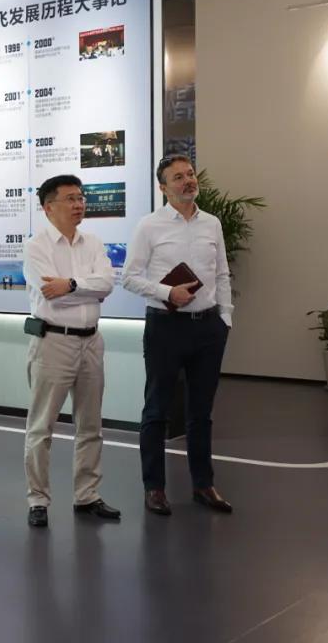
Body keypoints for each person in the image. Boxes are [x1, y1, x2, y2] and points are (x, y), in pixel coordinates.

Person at [122, 155, 234, 516]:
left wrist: (225, 318)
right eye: (178, 177)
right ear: (163, 187)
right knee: (157, 410)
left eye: (190, 174)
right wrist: (167, 292)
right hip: (165, 328)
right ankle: (154, 487)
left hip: (208, 328)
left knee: (201, 413)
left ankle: (203, 485)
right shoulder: (149, 226)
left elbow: (222, 274)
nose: (188, 181)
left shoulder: (211, 223)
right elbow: (129, 277)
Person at [22, 174, 121, 529]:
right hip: (53, 341)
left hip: (92, 341)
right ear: (49, 207)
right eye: (70, 199)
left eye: (80, 197)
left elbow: (107, 284)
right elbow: (52, 295)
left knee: (90, 425)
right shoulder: (36, 247)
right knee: (41, 427)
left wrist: (73, 285)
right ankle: (38, 500)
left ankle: (87, 495)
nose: (79, 204)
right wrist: (85, 290)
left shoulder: (92, 242)